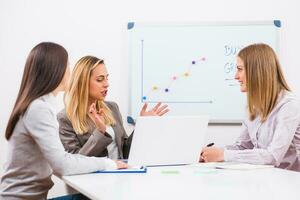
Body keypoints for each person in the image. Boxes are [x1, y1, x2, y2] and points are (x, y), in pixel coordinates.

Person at [0, 42, 127, 200]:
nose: (69, 73)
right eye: (67, 67)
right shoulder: (39, 109)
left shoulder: (39, 106)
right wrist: (109, 164)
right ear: (55, 71)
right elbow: (62, 165)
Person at [201, 43, 300, 171]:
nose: (236, 76)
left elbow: (273, 157)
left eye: (240, 69)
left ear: (256, 71)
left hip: (290, 181)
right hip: (265, 178)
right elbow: (243, 147)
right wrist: (210, 154)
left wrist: (223, 155)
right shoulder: (253, 107)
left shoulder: (289, 106)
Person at [57, 55, 169, 159]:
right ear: (82, 82)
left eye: (107, 78)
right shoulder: (66, 117)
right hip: (91, 179)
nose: (106, 84)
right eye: (100, 79)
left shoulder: (112, 108)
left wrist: (142, 126)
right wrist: (100, 132)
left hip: (120, 176)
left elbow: (125, 151)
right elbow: (74, 162)